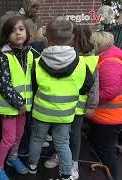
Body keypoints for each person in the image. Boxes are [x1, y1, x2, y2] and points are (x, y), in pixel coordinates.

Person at [27, 16, 94, 180]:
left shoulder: (37, 61)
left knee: (37, 139)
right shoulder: (80, 63)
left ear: (46, 37)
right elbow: (88, 84)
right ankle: (65, 173)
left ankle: (32, 167)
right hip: (66, 113)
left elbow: (34, 85)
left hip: (42, 111)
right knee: (63, 143)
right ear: (71, 37)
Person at [43, 24, 99, 180]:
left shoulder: (89, 60)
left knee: (74, 134)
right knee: (59, 133)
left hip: (77, 106)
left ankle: (73, 162)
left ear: (73, 37)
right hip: (61, 104)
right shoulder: (65, 56)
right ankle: (58, 154)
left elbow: (94, 84)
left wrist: (91, 104)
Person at [0, 16, 34, 180]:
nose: (18, 33)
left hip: (23, 107)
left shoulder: (29, 54)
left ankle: (12, 157)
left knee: (19, 135)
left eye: (21, 29)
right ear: (6, 35)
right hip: (9, 107)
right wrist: (20, 102)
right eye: (12, 31)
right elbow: (3, 84)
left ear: (26, 32)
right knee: (8, 138)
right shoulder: (2, 56)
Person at [89, 31, 122, 180]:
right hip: (109, 116)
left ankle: (112, 177)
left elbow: (110, 91)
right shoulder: (110, 56)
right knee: (103, 148)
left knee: (106, 151)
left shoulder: (109, 61)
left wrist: (90, 100)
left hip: (108, 117)